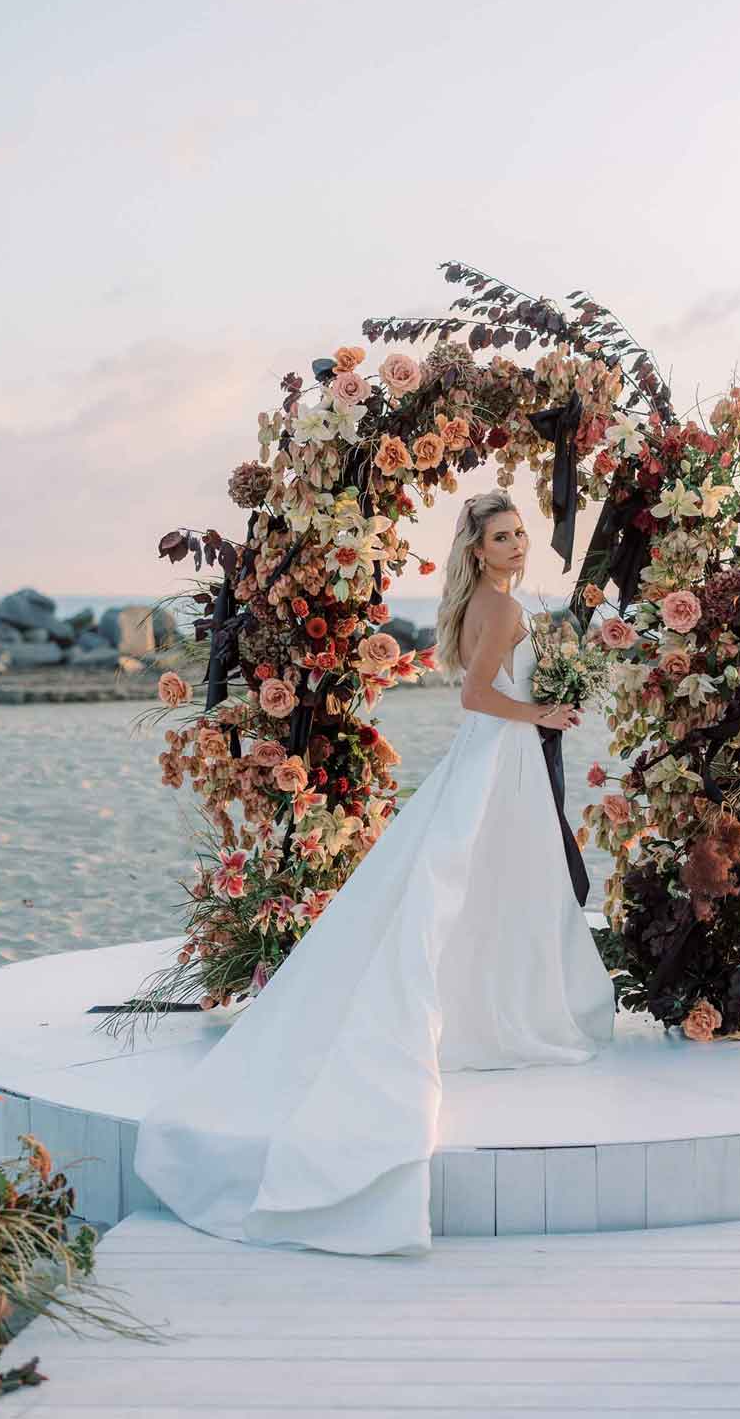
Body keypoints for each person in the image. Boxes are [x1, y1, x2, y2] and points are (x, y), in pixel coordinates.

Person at [132, 490, 617, 1255]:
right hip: (500, 755)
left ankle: (488, 1000)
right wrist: (544, 714)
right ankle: (494, 1010)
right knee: (486, 887)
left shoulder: (493, 602)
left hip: (499, 758)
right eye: (502, 536)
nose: (518, 544)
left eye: (520, 532)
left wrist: (539, 708)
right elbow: (476, 694)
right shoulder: (499, 608)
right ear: (477, 549)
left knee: (492, 887)